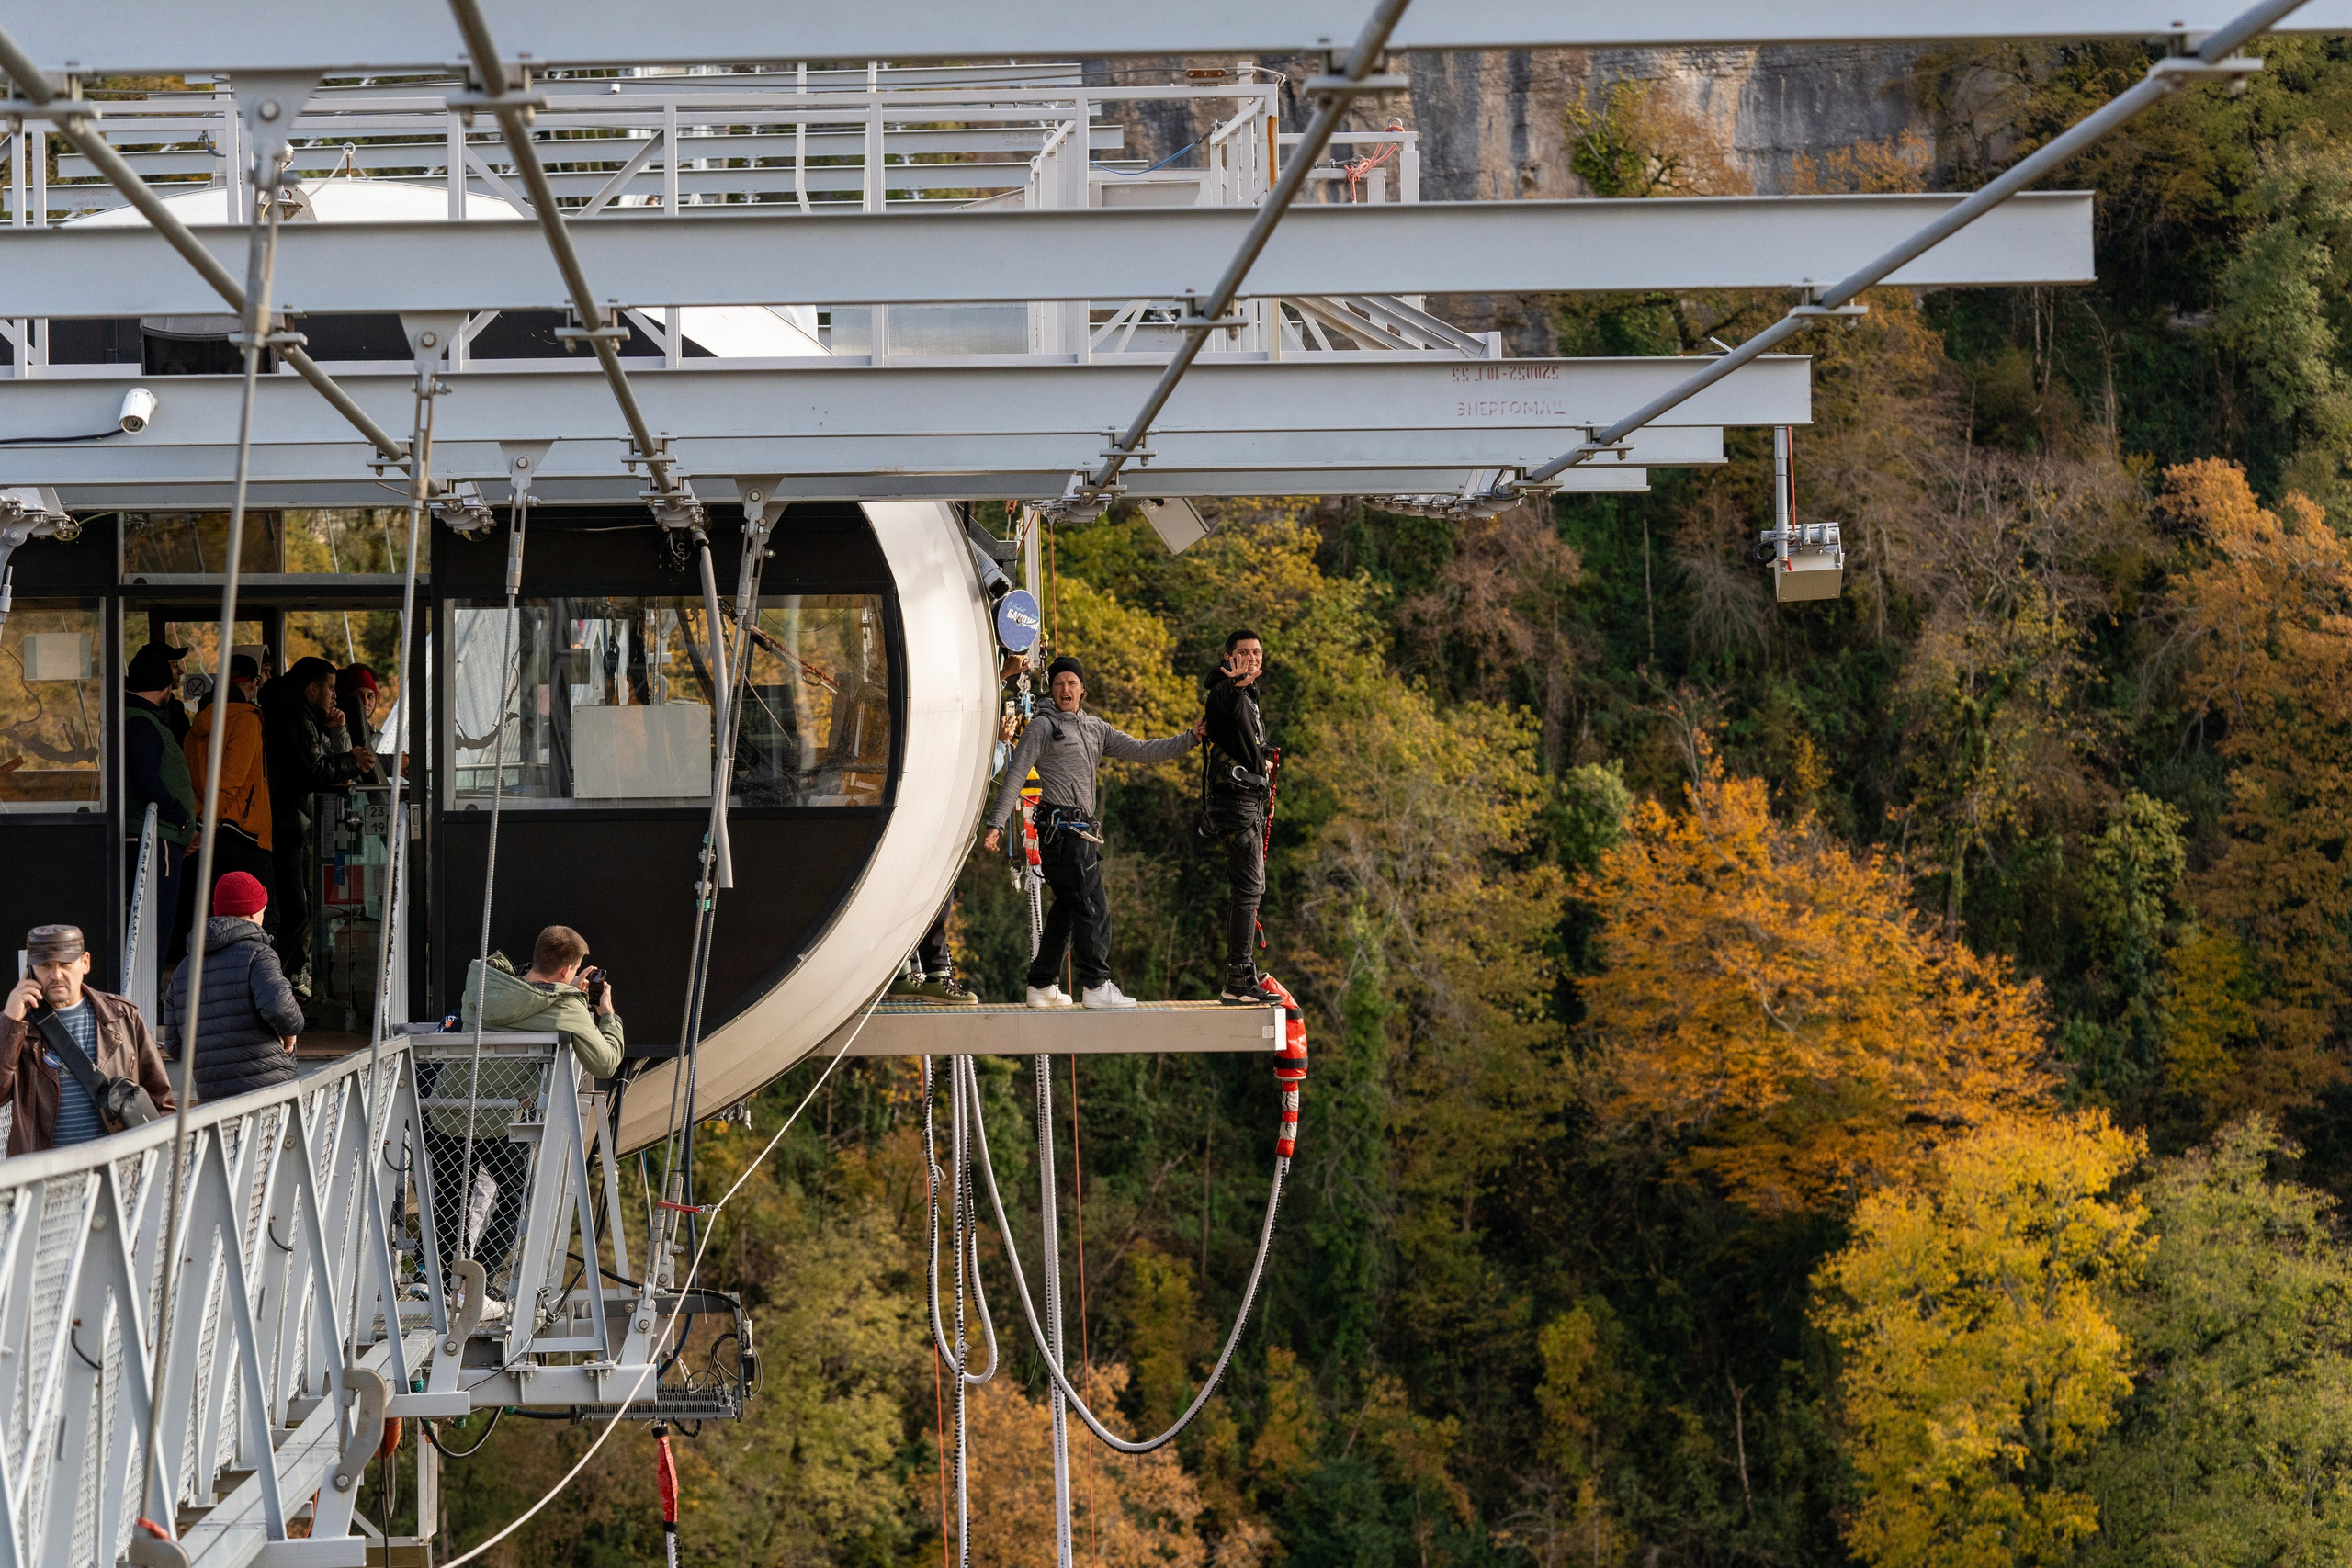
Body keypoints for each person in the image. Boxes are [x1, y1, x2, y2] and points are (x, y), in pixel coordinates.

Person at [980, 655, 1202, 1010]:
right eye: (1058, 684)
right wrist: (996, 824)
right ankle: (1096, 985)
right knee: (1093, 908)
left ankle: (1041, 985)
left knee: (1068, 908)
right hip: (1062, 832)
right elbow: (1016, 775)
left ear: (1083, 689)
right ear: (1052, 691)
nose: (1064, 689)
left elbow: (1143, 750)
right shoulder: (1041, 727)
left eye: (1071, 683)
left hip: (1080, 832)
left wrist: (1190, 738)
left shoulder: (1096, 729)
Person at [435, 926, 626, 1317]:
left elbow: (526, 994)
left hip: (443, 1108)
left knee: (450, 1197)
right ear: (568, 970)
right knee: (517, 1195)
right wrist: (606, 1014)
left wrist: (565, 988)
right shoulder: (566, 1008)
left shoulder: (485, 985)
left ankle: (437, 1280)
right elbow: (605, 1062)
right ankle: (474, 1286)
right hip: (496, 1121)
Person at [0, 924, 175, 1155]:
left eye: (65, 964)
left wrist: (162, 1160)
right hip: (45, 1170)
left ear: (85, 962)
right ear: (29, 968)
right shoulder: (19, 1026)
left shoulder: (122, 1016)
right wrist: (10, 1020)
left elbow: (161, 1100)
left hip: (117, 1165)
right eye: (45, 966)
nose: (56, 975)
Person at [261, 656, 377, 998]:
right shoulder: (292, 715)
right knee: (295, 910)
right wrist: (351, 761)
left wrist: (336, 733)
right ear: (312, 689)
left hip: (295, 821)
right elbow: (311, 769)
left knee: (304, 906)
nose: (334, 696)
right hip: (288, 823)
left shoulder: (300, 713)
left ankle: (290, 978)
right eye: (330, 688)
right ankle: (281, 983)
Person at [162, 871, 303, 1102]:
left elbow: (175, 1045)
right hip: (266, 1091)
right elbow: (281, 1008)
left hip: (213, 1095)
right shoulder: (259, 955)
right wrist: (291, 1031)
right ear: (253, 911)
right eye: (264, 910)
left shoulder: (184, 969)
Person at [1203, 630, 1284, 1006]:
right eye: (1243, 653)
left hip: (1244, 802)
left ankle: (1242, 974)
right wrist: (1236, 683)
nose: (1251, 658)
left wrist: (1260, 760)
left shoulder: (1248, 694)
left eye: (1256, 652)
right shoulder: (1225, 689)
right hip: (1234, 805)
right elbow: (1226, 699)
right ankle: (1238, 979)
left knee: (1249, 889)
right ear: (1228, 658)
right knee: (1249, 890)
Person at [125, 642, 199, 965]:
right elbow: (147, 781)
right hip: (155, 841)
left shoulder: (132, 717)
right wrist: (180, 818)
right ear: (165, 686)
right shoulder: (142, 723)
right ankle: (149, 995)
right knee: (155, 933)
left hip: (154, 836)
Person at [183, 653, 276, 908]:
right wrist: (207, 824)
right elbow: (230, 780)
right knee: (259, 914)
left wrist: (200, 824)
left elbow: (190, 780)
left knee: (212, 911)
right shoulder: (247, 719)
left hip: (204, 829)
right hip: (242, 831)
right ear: (254, 682)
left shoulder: (197, 725)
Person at [335, 664, 387, 784]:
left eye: (370, 696)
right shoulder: (336, 728)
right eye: (358, 696)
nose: (365, 702)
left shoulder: (377, 735)